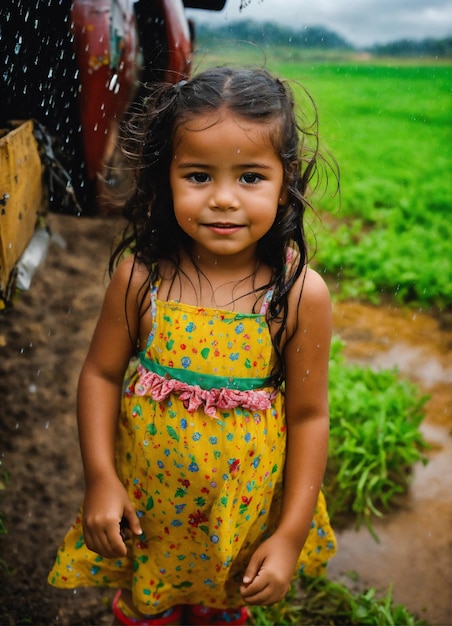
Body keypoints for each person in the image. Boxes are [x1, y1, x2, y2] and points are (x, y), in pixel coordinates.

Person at [48, 66, 337, 626]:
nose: (224, 200)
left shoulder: (297, 295)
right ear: (163, 181)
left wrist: (290, 534)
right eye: (199, 176)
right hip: (149, 516)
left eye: (250, 177)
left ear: (286, 182)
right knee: (148, 607)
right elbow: (100, 376)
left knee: (221, 610)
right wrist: (101, 479)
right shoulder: (141, 279)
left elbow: (308, 418)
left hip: (239, 522)